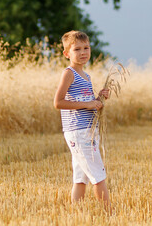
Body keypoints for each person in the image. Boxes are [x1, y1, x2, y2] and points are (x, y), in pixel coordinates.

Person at [53, 30, 111, 208]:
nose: (83, 52)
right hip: (78, 132)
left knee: (81, 177)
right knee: (98, 174)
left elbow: (88, 103)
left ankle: (76, 212)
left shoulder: (86, 76)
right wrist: (87, 105)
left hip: (88, 131)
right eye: (77, 49)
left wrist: (99, 99)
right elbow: (58, 102)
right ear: (67, 53)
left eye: (86, 47)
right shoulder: (69, 73)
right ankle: (109, 213)